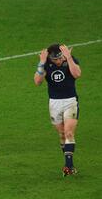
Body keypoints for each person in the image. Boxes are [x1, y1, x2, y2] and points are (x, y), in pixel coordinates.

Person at [34, 44, 81, 176]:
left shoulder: (69, 60)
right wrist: (41, 63)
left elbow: (77, 74)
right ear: (50, 58)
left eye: (61, 58)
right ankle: (68, 162)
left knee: (69, 133)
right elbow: (37, 82)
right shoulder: (46, 63)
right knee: (61, 134)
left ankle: (68, 167)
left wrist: (69, 58)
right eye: (56, 59)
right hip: (54, 103)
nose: (59, 61)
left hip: (70, 101)